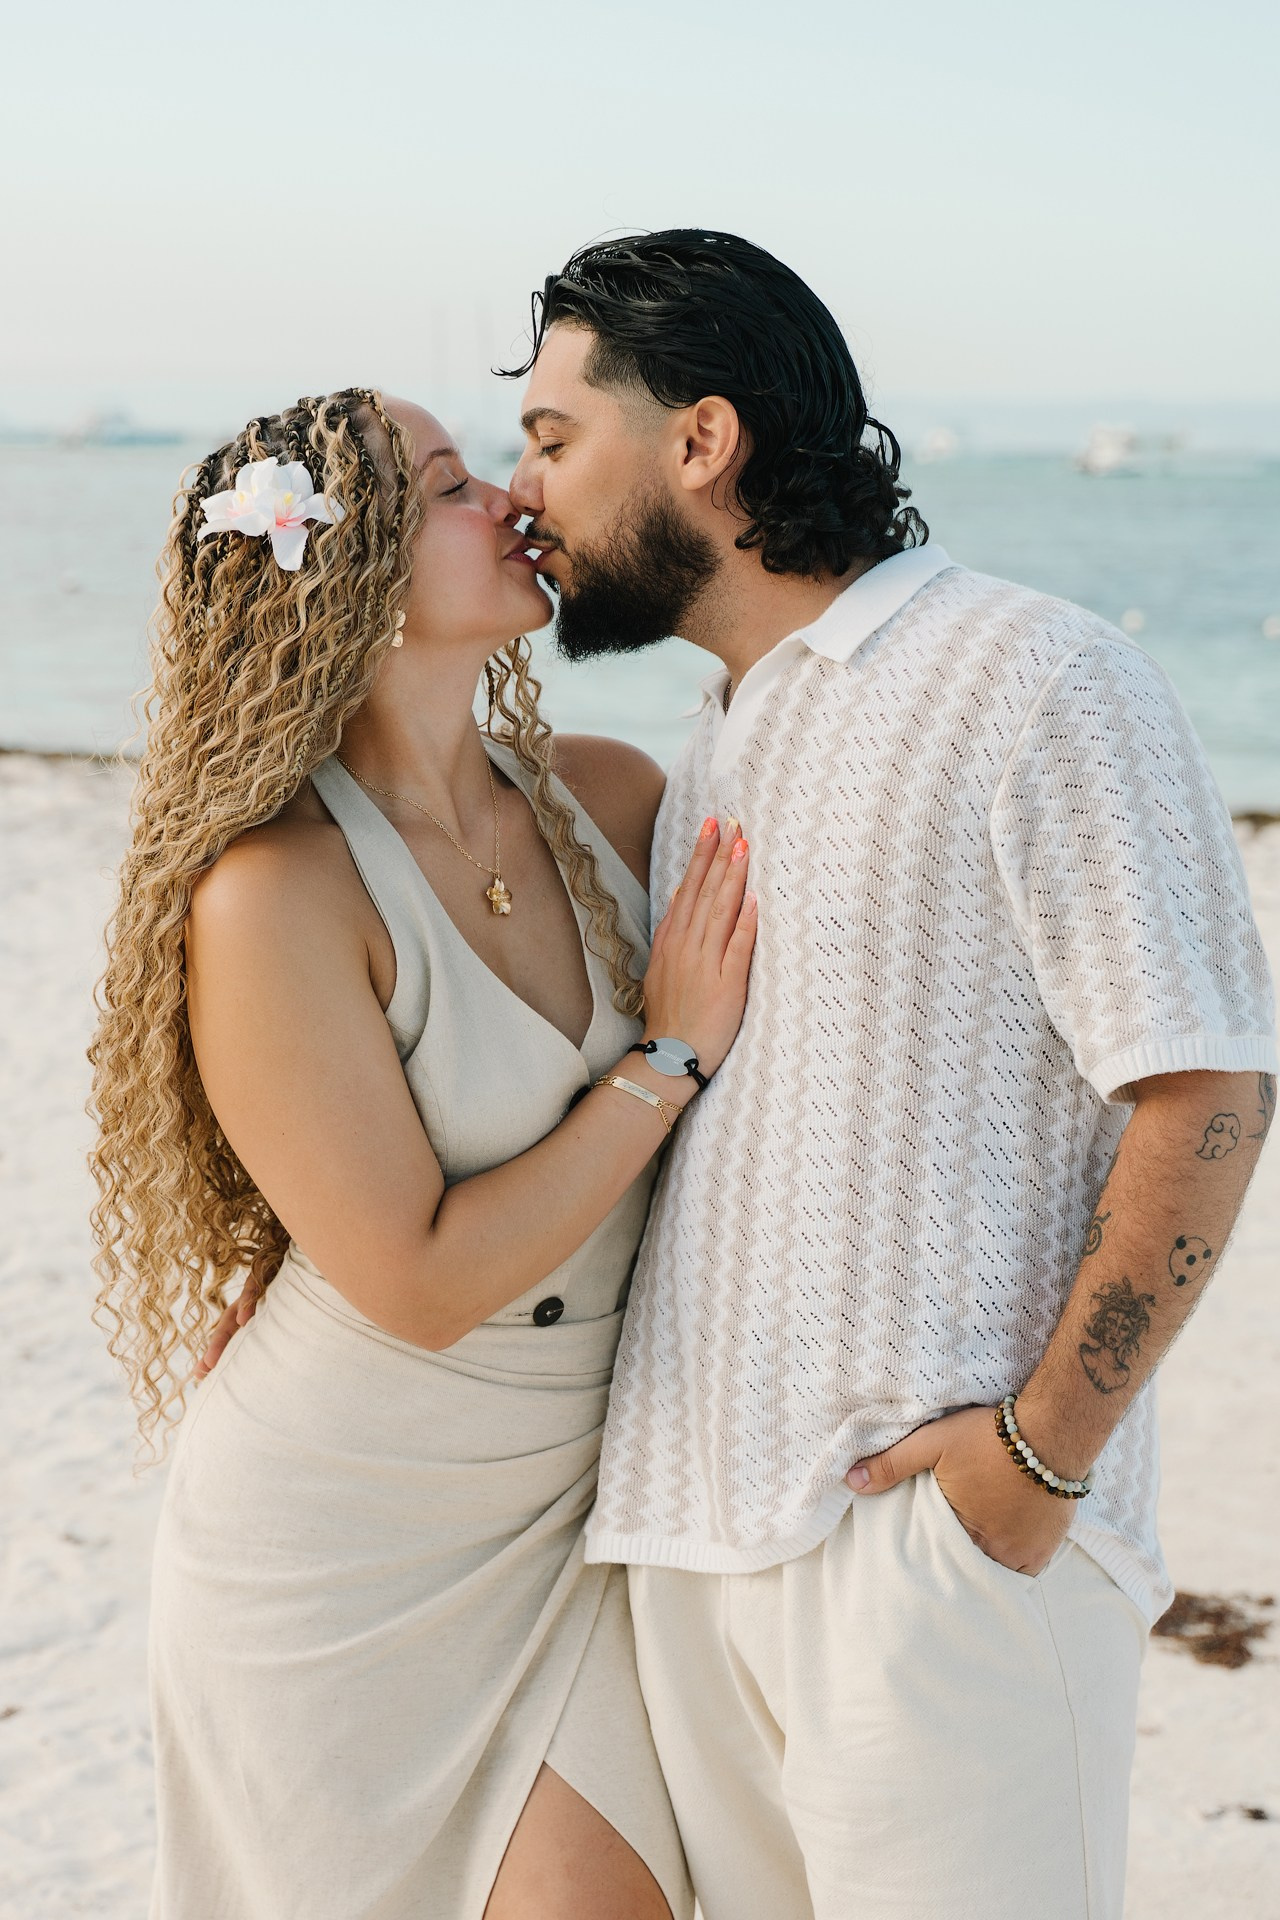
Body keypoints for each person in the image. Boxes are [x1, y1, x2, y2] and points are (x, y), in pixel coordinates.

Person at [502, 230, 1278, 1919]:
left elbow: (1208, 1083)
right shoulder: (718, 735)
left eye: (556, 437)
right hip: (691, 1547)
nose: (525, 490)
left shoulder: (1034, 672)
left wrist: (1041, 1458)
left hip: (936, 1561)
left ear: (700, 440)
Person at [88, 385, 758, 1919]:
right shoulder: (275, 895)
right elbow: (415, 1279)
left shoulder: (612, 794)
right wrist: (664, 1064)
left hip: (586, 1504)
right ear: (353, 575)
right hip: (351, 1537)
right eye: (455, 482)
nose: (515, 494)